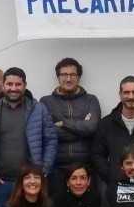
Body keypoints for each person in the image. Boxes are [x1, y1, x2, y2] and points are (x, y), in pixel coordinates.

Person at [0, 67, 58, 203]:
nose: (13, 88)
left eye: (18, 84)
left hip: (30, 182)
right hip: (1, 183)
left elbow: (50, 140)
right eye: (9, 84)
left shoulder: (39, 109)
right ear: (3, 85)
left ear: (25, 85)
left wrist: (44, 170)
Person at [40, 57, 102, 198]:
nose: (68, 79)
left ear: (78, 77)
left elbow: (91, 127)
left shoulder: (91, 100)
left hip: (86, 167)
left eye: (73, 75)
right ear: (58, 77)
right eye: (64, 75)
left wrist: (62, 123)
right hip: (57, 168)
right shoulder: (46, 102)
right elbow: (48, 132)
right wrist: (81, 128)